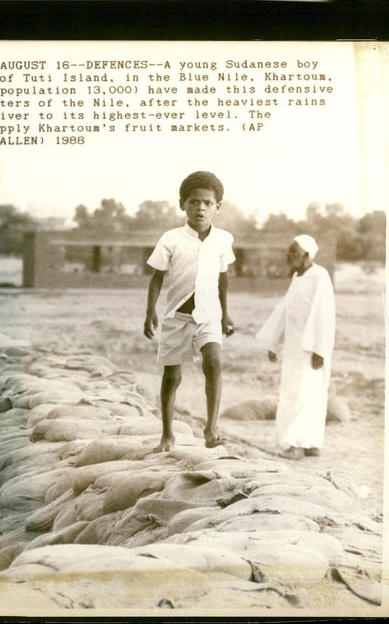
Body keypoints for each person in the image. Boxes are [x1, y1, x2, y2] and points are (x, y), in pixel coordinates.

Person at [143, 171, 236, 452]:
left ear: (217, 206)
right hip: (176, 317)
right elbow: (157, 278)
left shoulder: (223, 239)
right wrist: (150, 311)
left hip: (209, 315)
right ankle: (167, 435)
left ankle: (211, 429)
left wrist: (226, 314)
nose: (201, 208)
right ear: (182, 204)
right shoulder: (171, 239)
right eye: (194, 202)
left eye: (208, 203)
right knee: (172, 377)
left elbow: (223, 278)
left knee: (214, 363)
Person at [255, 234, 336, 460]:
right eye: (288, 252)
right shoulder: (298, 277)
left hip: (311, 350)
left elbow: (325, 315)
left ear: (307, 255)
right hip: (293, 348)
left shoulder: (320, 276)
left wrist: (320, 349)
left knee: (306, 394)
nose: (288, 257)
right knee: (295, 393)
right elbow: (284, 311)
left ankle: (297, 444)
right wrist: (274, 343)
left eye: (294, 252)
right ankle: (308, 442)